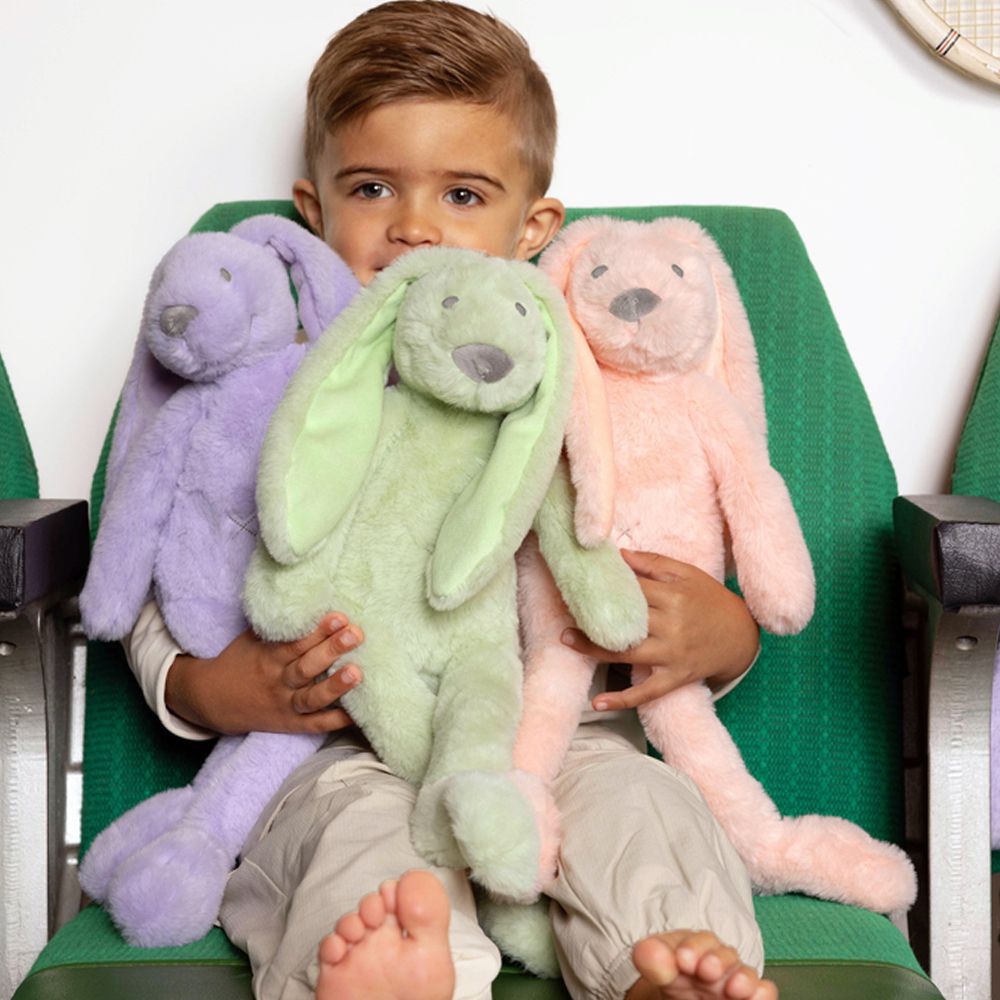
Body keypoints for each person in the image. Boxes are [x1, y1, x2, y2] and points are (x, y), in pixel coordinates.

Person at [124, 3, 775, 998]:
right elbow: (166, 569)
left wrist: (726, 636)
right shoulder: (267, 386)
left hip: (555, 743)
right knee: (353, 844)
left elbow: (655, 562)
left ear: (533, 228)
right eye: (371, 188)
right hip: (339, 746)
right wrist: (206, 686)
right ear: (314, 209)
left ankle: (669, 966)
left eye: (464, 194)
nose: (414, 226)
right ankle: (391, 971)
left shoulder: (585, 380)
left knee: (642, 809)